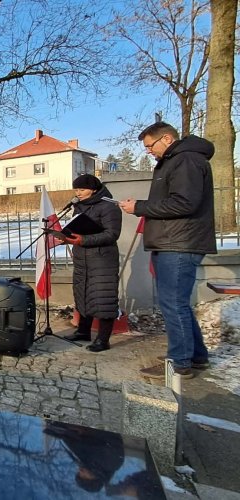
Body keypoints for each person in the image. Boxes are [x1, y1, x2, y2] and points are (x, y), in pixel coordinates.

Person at [119, 122, 216, 379]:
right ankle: (196, 356)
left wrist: (140, 206)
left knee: (173, 304)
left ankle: (179, 362)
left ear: (167, 139)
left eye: (150, 145)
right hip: (172, 241)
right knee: (177, 304)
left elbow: (185, 203)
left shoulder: (186, 161)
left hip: (180, 243)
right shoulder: (176, 160)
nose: (148, 151)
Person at [61, 174, 122, 352]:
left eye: (82, 189)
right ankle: (83, 331)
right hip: (82, 258)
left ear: (93, 189)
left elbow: (112, 234)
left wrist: (83, 240)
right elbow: (77, 228)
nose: (78, 193)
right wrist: (67, 237)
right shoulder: (79, 206)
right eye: (76, 190)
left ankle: (103, 340)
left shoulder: (109, 206)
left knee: (103, 298)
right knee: (83, 293)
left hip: (102, 259)